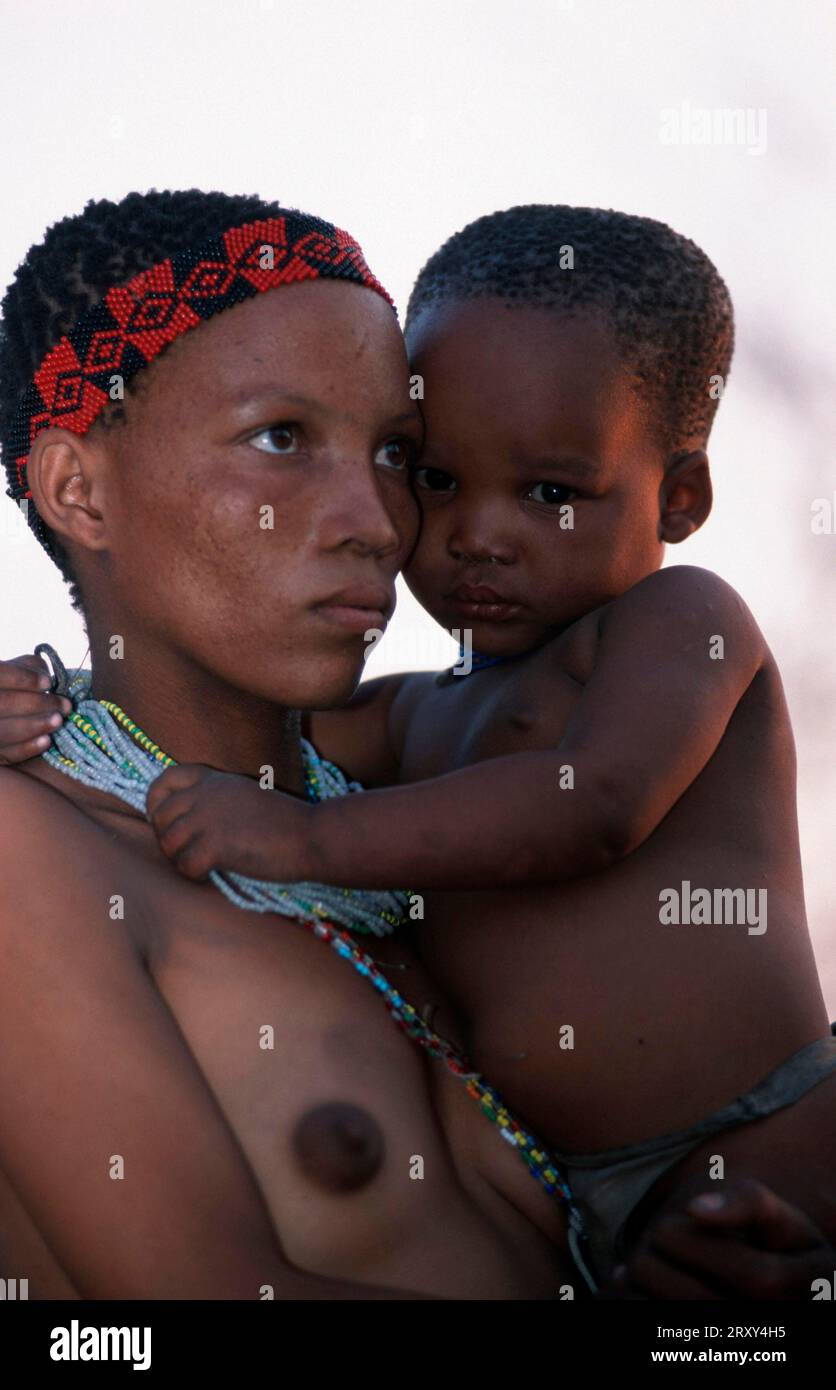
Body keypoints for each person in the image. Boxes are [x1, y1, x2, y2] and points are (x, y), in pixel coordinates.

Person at [1, 193, 832, 1300]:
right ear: (77, 489)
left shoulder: (402, 830)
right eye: (281, 438)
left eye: (396, 452)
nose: (382, 522)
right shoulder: (37, 846)